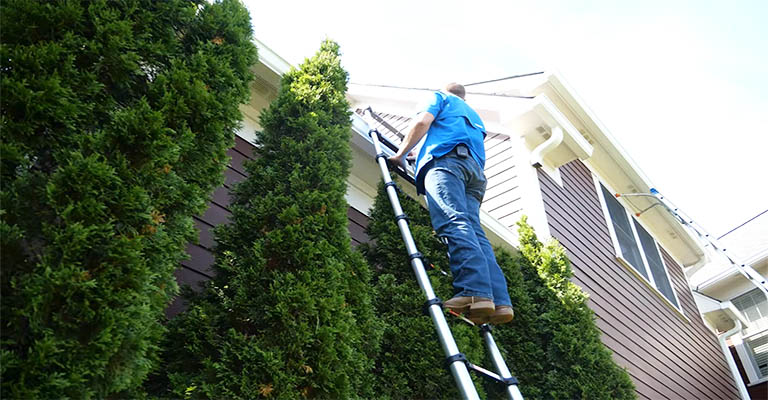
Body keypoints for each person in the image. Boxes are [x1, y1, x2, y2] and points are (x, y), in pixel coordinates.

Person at [389, 83, 514, 325]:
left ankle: (474, 290)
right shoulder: (473, 116)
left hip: (448, 164)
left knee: (453, 221)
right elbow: (455, 139)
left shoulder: (439, 97)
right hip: (474, 174)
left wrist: (401, 154)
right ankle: (499, 302)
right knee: (476, 234)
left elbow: (422, 122)